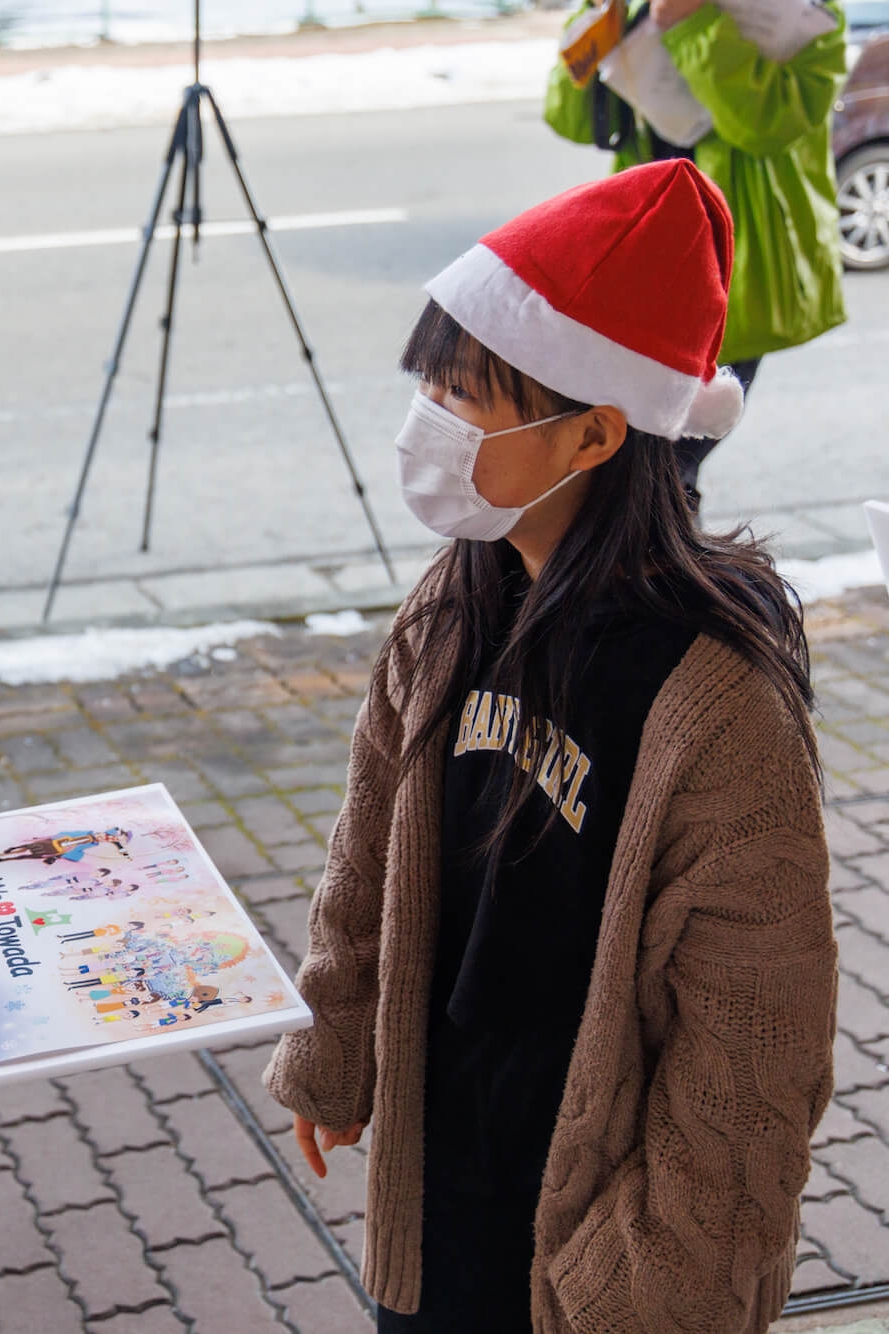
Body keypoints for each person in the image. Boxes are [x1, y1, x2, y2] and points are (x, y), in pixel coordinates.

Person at [265, 160, 834, 1332]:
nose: (426, 415)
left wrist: (651, 1284)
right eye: (429, 377)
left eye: (464, 392)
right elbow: (369, 841)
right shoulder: (453, 600)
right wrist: (333, 1036)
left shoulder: (712, 700)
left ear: (591, 432)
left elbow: (753, 1049)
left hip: (594, 1240)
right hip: (441, 1184)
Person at [545, 0, 848, 509]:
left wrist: (691, 27)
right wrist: (603, 22)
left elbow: (768, 122)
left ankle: (665, 572)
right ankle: (647, 564)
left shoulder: (805, 14)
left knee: (673, 460)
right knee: (625, 458)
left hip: (737, 266)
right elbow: (568, 117)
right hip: (644, 251)